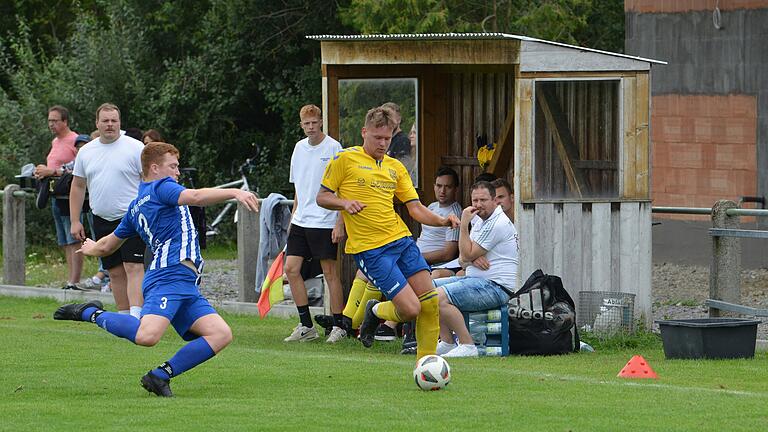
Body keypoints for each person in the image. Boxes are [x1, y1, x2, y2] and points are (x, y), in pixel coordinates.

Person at [53, 142, 260, 397]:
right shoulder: (162, 187)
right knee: (147, 336)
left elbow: (108, 245)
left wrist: (93, 247)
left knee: (220, 334)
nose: (178, 172)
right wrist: (235, 193)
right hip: (168, 276)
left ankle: (159, 376)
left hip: (184, 281)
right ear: (154, 168)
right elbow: (195, 197)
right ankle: (90, 313)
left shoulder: (137, 204)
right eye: (173, 166)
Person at [317, 106, 459, 360]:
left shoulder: (395, 167)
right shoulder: (344, 159)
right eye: (377, 138)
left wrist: (441, 220)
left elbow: (414, 208)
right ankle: (376, 311)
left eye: (388, 138)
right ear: (364, 132)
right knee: (412, 309)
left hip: (401, 241)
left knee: (429, 303)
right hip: (370, 249)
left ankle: (426, 365)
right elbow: (322, 197)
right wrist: (344, 203)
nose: (383, 143)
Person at [70, 103, 145, 318]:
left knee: (133, 266)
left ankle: (136, 316)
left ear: (120, 123)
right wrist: (75, 220)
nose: (110, 125)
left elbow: (148, 180)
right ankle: (123, 315)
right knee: (114, 270)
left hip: (131, 217)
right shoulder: (86, 152)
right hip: (101, 217)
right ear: (97, 123)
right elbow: (77, 185)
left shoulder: (135, 147)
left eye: (114, 120)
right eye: (105, 121)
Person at [375, 166, 463, 342]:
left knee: (420, 280)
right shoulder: (430, 206)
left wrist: (417, 259)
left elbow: (448, 253)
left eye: (448, 187)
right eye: (439, 186)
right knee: (370, 273)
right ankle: (353, 321)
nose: (442, 191)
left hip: (438, 264)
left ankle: (391, 325)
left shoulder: (455, 213)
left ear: (456, 189)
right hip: (416, 257)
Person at [433, 181, 519, 358]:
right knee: (427, 288)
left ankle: (467, 344)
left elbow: (465, 254)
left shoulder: (498, 222)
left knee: (437, 296)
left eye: (483, 200)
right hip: (475, 281)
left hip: (495, 287)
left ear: (495, 200)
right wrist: (471, 258)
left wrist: (464, 225)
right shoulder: (480, 220)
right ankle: (448, 342)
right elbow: (463, 259)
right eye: (475, 200)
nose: (478, 205)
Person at [283, 104, 346, 343]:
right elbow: (298, 187)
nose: (310, 127)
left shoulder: (333, 148)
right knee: (291, 270)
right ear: (301, 125)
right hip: (301, 220)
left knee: (330, 272)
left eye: (314, 122)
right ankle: (306, 325)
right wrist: (292, 218)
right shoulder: (298, 148)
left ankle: (338, 325)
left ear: (321, 122)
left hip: (325, 220)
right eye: (306, 124)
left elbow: (341, 188)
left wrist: (339, 222)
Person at [33, 106, 82, 290]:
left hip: (69, 195)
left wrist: (53, 171)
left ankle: (75, 280)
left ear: (65, 121)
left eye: (55, 120)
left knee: (73, 236)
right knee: (63, 238)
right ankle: (70, 279)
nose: (51, 124)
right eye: (49, 121)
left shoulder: (74, 140)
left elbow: (79, 166)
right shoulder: (55, 142)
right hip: (55, 193)